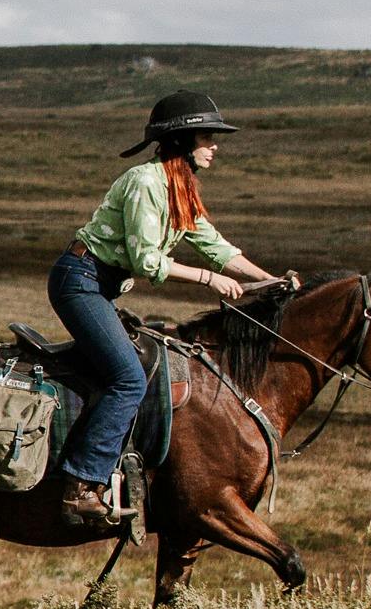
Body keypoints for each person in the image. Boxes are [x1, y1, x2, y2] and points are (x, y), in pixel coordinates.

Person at [51, 91, 294, 525]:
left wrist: (268, 280)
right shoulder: (146, 183)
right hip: (80, 284)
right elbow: (147, 260)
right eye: (207, 137)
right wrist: (209, 279)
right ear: (182, 140)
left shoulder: (180, 187)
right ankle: (81, 485)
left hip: (98, 287)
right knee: (129, 378)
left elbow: (215, 247)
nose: (214, 146)